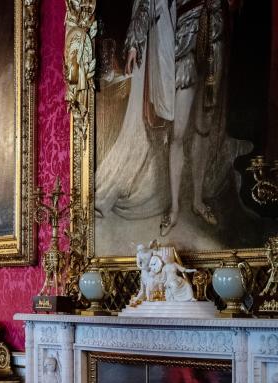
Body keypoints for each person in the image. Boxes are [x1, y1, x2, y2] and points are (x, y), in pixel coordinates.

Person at [95, 0, 249, 237]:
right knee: (178, 133)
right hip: (182, 49)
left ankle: (197, 201)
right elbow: (147, 4)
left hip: (213, 47)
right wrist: (135, 43)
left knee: (204, 128)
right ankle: (175, 207)